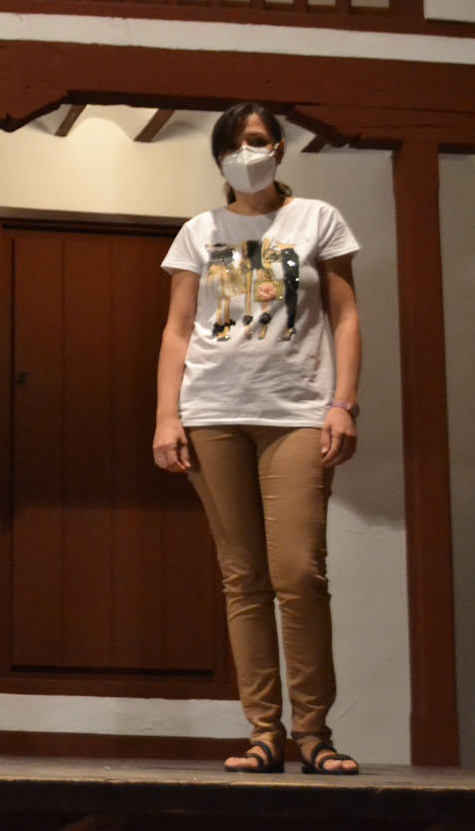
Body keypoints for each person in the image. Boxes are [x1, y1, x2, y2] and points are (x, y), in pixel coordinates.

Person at [152, 103, 361, 775]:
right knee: (243, 578)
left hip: (297, 412)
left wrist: (343, 403)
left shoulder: (317, 219)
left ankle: (314, 733)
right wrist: (166, 416)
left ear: (278, 149)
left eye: (259, 141)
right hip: (212, 411)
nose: (249, 153)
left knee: (299, 573)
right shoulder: (199, 231)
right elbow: (177, 330)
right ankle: (264, 732)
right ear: (219, 158)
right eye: (236, 145)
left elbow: (345, 317)